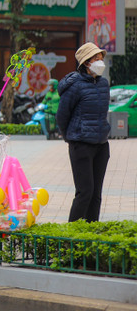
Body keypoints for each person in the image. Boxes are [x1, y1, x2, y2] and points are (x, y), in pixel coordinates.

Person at [57, 42, 111, 223]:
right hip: (81, 145)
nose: (100, 61)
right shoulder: (75, 85)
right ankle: (73, 234)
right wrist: (70, 137)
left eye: (101, 58)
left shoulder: (103, 83)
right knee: (85, 192)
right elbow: (62, 115)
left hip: (101, 145)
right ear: (86, 62)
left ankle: (91, 232)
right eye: (96, 58)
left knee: (96, 194)